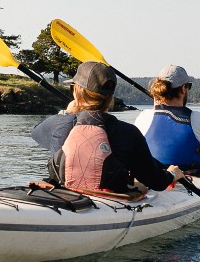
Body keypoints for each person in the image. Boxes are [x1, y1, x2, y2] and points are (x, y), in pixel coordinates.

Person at [32, 61, 184, 198]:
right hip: (109, 200)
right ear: (110, 97)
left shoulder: (58, 125)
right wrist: (171, 174)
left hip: (64, 196)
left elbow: (36, 132)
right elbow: (157, 182)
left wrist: (65, 113)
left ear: (75, 92)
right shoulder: (128, 133)